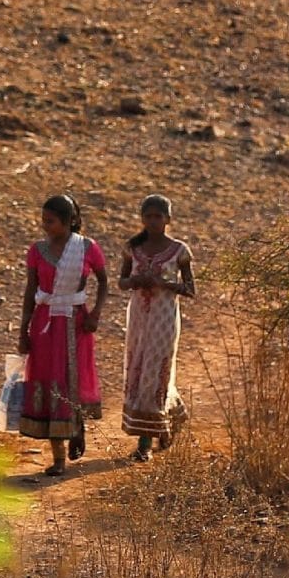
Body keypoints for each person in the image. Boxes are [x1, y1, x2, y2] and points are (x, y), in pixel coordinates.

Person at [16, 194, 107, 474]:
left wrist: (95, 315)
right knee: (49, 380)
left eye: (51, 221)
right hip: (45, 324)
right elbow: (31, 290)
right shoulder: (37, 250)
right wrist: (24, 328)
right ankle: (57, 458)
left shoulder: (87, 248)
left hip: (75, 323)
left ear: (69, 222)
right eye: (43, 220)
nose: (45, 226)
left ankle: (75, 426)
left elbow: (104, 282)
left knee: (71, 378)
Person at [117, 195, 195, 462]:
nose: (152, 221)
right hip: (139, 316)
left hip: (164, 318)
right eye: (148, 216)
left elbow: (190, 289)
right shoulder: (132, 247)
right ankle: (171, 417)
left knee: (156, 371)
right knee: (138, 369)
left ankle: (144, 443)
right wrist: (139, 280)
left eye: (157, 217)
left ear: (168, 220)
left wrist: (165, 284)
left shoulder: (179, 250)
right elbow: (122, 282)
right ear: (142, 218)